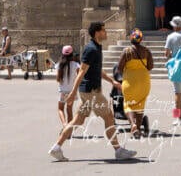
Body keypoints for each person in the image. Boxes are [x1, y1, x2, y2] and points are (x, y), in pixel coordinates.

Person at [48, 21, 137, 162]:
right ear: (97, 33)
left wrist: (111, 81)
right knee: (109, 117)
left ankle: (56, 147)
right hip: (92, 92)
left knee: (78, 120)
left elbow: (96, 69)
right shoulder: (91, 49)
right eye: (103, 30)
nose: (106, 32)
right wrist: (72, 93)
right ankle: (118, 150)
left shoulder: (96, 47)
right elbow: (82, 71)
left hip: (88, 92)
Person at [115, 28, 153, 138]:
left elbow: (119, 68)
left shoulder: (127, 51)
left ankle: (133, 125)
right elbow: (150, 67)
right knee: (140, 105)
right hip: (144, 81)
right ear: (141, 39)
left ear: (131, 39)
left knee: (128, 104)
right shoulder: (146, 51)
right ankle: (138, 130)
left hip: (130, 82)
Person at [56, 45, 81, 126]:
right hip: (72, 91)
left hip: (63, 91)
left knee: (60, 109)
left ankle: (64, 124)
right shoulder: (76, 65)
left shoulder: (59, 65)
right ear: (72, 54)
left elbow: (58, 79)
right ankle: (69, 130)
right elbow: (79, 77)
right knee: (69, 110)